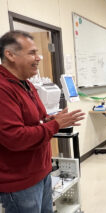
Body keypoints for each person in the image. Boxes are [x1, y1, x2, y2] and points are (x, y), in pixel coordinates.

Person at [0, 30, 85, 213]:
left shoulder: (26, 84)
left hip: (42, 172)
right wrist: (55, 125)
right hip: (21, 183)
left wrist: (50, 119)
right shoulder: (3, 89)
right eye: (32, 53)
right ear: (10, 55)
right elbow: (15, 137)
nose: (39, 57)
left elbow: (35, 120)